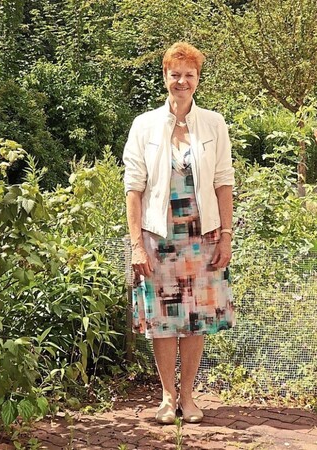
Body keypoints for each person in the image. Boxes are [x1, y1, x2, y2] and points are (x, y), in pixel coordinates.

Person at [123, 42, 235, 425]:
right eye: (175, 74)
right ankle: (167, 398)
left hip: (202, 236)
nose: (182, 81)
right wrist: (137, 243)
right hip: (158, 237)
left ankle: (189, 397)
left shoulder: (214, 124)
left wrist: (226, 235)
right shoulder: (144, 125)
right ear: (165, 77)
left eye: (189, 75)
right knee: (163, 320)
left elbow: (223, 183)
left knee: (197, 319)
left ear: (198, 79)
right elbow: (133, 187)